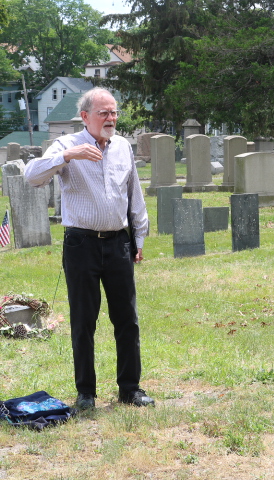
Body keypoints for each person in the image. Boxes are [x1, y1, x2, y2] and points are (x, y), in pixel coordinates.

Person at [25, 88, 154, 409]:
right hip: (81, 244)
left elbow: (134, 194)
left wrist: (139, 237)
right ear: (85, 116)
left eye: (114, 112)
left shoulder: (122, 146)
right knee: (84, 321)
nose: (111, 119)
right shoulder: (67, 145)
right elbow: (32, 176)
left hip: (118, 243)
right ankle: (86, 393)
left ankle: (130, 389)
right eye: (103, 113)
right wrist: (68, 156)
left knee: (127, 319)